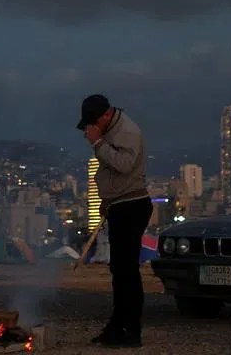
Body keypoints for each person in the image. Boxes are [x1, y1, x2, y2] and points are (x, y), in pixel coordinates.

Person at [77, 93, 152, 349]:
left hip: (132, 206)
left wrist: (98, 144)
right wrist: (107, 200)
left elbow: (125, 164)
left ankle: (131, 331)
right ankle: (117, 326)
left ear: (106, 115)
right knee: (119, 271)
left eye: (93, 122)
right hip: (119, 205)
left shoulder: (127, 131)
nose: (91, 130)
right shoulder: (111, 129)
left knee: (127, 271)